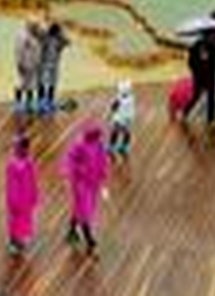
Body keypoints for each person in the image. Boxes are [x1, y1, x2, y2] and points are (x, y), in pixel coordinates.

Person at [61, 122, 109, 254]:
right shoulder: (79, 145)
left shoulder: (99, 144)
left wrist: (103, 180)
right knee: (85, 210)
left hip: (93, 183)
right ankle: (89, 238)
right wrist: (67, 174)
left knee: (80, 208)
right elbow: (69, 159)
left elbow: (102, 161)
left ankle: (72, 231)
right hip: (80, 183)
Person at [4, 133, 39, 256]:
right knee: (15, 222)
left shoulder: (29, 162)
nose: (26, 150)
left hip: (26, 198)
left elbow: (33, 180)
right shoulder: (13, 165)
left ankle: (19, 240)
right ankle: (13, 242)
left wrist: (34, 195)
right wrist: (13, 201)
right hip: (17, 200)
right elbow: (11, 185)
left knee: (23, 221)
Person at [181, 28, 215, 125]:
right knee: (197, 95)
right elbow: (191, 62)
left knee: (210, 97)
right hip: (201, 75)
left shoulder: (213, 46)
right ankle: (186, 112)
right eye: (212, 35)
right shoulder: (196, 46)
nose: (213, 36)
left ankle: (210, 119)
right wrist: (197, 70)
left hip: (209, 75)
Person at [37, 21, 70, 115]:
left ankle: (49, 101)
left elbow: (68, 42)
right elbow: (39, 34)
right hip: (44, 64)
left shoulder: (58, 40)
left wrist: (61, 34)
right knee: (43, 82)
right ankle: (41, 102)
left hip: (54, 65)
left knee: (52, 83)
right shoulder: (46, 38)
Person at [14, 21, 42, 116]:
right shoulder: (22, 35)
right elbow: (18, 50)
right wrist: (19, 63)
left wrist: (37, 63)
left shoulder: (35, 36)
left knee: (30, 85)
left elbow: (37, 50)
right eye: (35, 26)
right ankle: (18, 104)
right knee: (21, 84)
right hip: (24, 64)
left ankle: (28, 104)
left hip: (32, 65)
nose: (36, 28)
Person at [106, 80, 135, 159]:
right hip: (126, 119)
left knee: (115, 132)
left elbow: (113, 108)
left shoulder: (118, 99)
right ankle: (123, 147)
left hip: (119, 119)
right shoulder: (131, 98)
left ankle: (111, 147)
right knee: (126, 133)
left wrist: (108, 116)